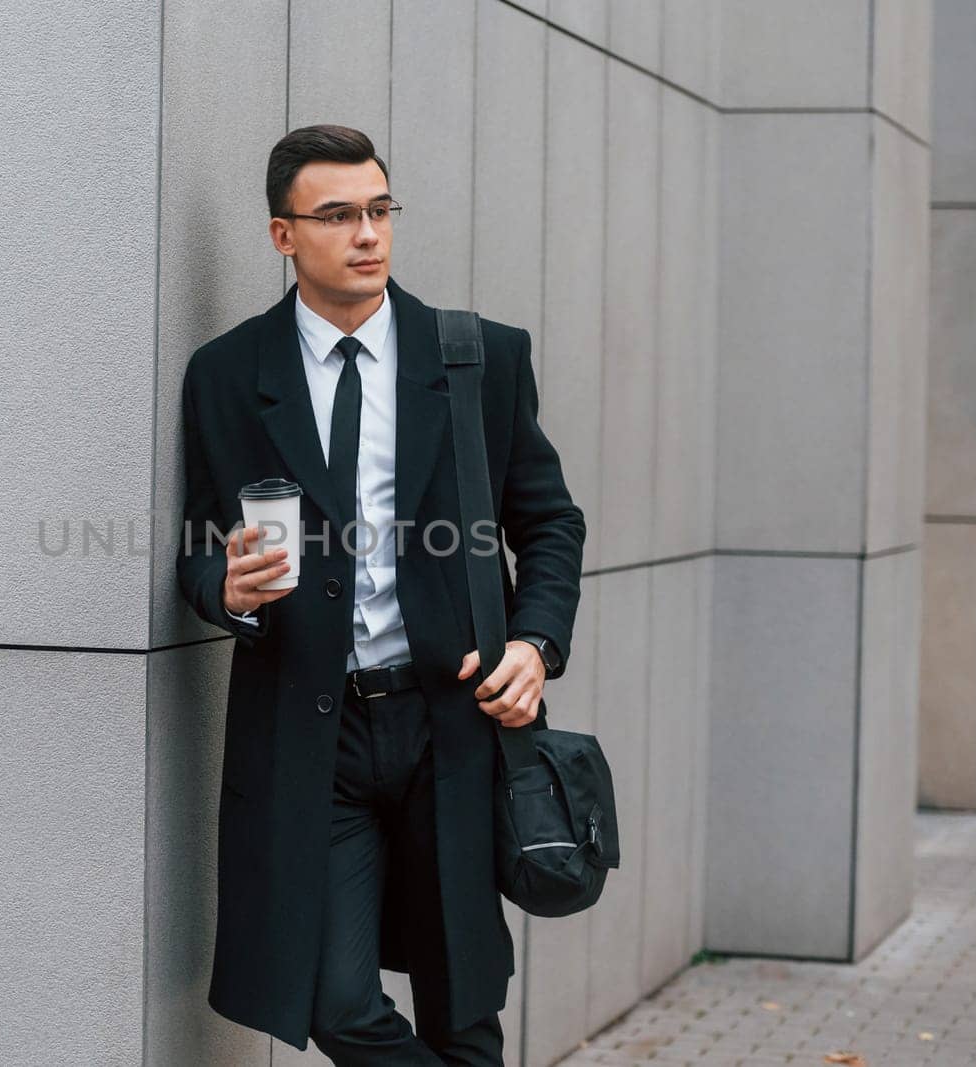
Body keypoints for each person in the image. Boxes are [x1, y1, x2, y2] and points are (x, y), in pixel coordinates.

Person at [176, 123, 585, 1065]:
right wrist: (224, 585)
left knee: (463, 1007)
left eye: (379, 210)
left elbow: (551, 523)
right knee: (336, 997)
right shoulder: (229, 375)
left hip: (453, 717)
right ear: (284, 236)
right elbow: (197, 543)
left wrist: (536, 645)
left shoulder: (478, 359)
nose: (367, 234)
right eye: (337, 215)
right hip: (311, 733)